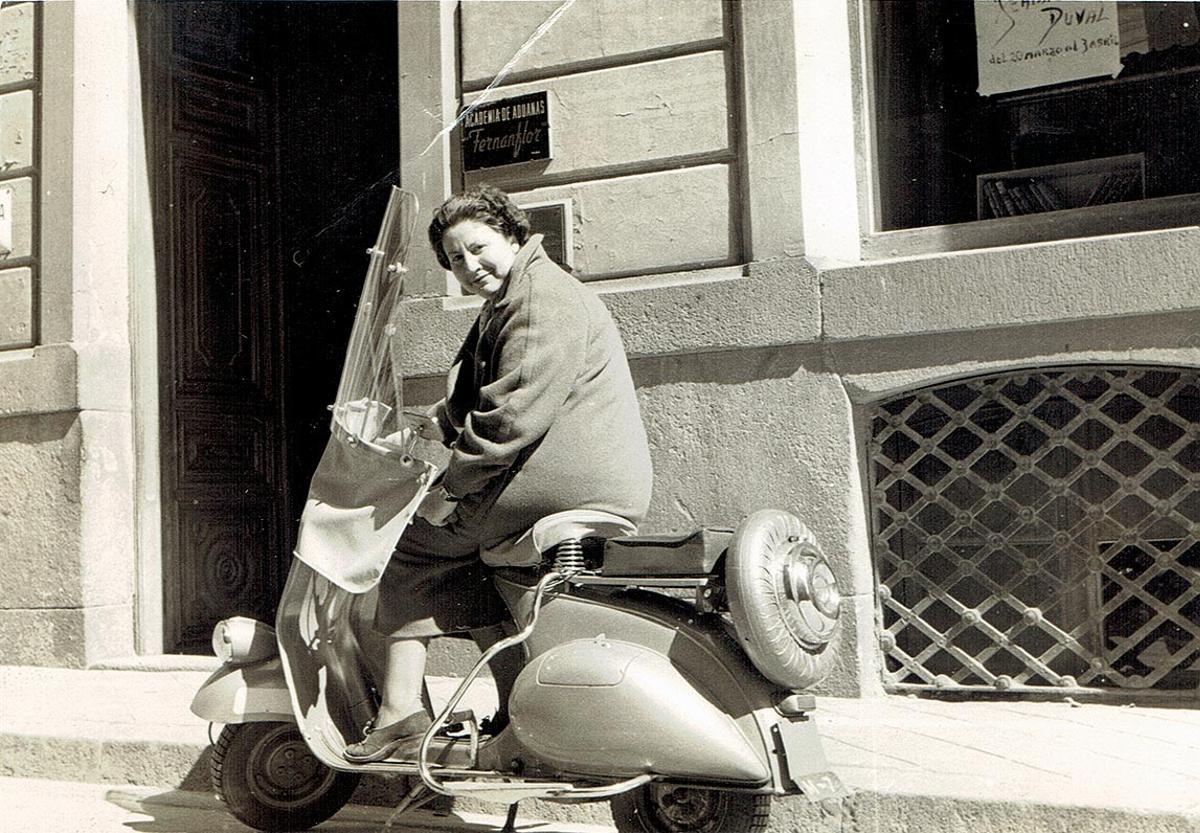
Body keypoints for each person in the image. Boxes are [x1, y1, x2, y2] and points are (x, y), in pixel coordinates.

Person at [344, 185, 653, 762]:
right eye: (455, 258)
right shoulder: (514, 294)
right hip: (559, 475)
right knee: (468, 560)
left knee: (410, 545)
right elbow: (481, 393)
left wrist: (449, 490)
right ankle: (514, 706)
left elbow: (510, 420)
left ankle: (400, 714)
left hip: (557, 480)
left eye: (479, 247)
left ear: (512, 235)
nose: (469, 265)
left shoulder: (536, 298)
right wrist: (425, 425)